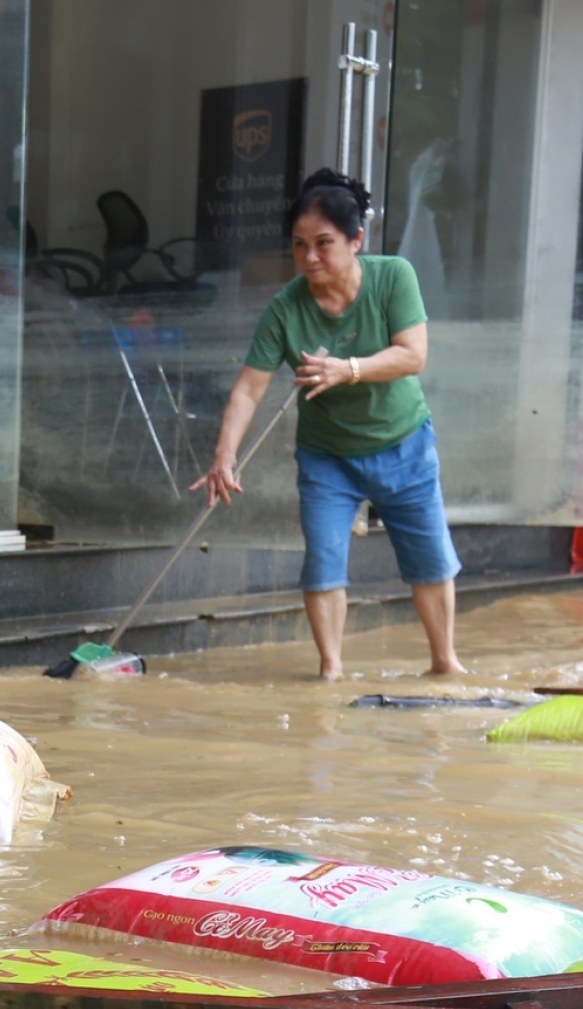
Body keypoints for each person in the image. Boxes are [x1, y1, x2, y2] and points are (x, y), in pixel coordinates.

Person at [193, 169, 465, 680]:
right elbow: (249, 388)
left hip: (403, 442)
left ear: (356, 240)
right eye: (299, 246)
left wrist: (348, 370)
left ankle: (445, 663)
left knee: (429, 556)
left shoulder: (393, 278)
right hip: (327, 458)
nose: (310, 258)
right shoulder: (285, 308)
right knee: (323, 561)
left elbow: (413, 355)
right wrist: (224, 455)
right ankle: (331, 673)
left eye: (323, 244)